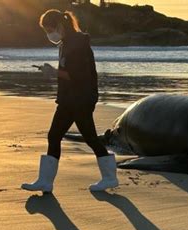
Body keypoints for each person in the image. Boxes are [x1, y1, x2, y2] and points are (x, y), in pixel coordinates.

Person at [21, 9, 118, 193]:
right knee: (58, 136)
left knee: (86, 137)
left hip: (80, 98)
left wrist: (54, 72)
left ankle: (109, 177)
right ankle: (45, 182)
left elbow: (78, 76)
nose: (49, 34)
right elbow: (69, 73)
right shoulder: (65, 44)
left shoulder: (78, 44)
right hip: (69, 99)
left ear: (60, 25)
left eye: (49, 29)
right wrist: (53, 72)